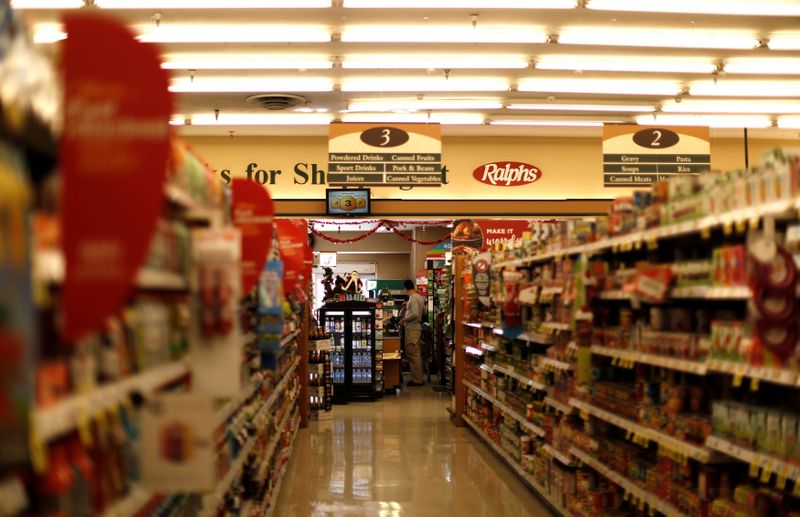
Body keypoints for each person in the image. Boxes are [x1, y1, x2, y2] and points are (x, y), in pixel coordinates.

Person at [402, 279, 426, 386]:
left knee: (412, 354)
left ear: (406, 288)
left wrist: (404, 319)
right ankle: (418, 377)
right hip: (417, 327)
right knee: (416, 353)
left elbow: (415, 314)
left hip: (412, 328)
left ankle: (417, 380)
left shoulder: (412, 298)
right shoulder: (419, 297)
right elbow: (424, 312)